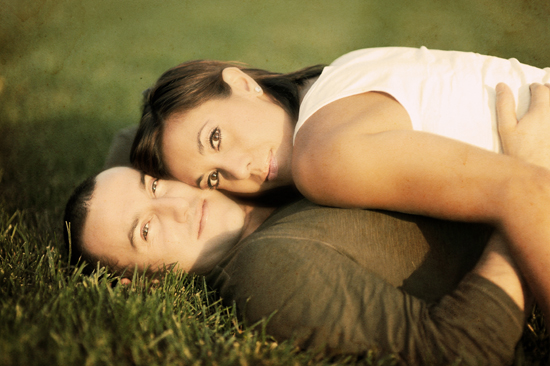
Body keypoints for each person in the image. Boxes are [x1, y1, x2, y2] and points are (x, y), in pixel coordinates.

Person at [62, 85, 550, 365]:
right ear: (141, 284)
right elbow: (460, 352)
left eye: (154, 185)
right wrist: (523, 183)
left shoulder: (267, 179)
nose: (177, 207)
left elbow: (131, 138)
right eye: (145, 231)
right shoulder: (267, 268)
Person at [129, 47, 550, 324]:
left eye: (215, 137)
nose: (243, 170)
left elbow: (527, 191)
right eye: (214, 178)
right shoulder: (336, 77)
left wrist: (528, 166)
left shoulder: (320, 156)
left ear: (242, 84)